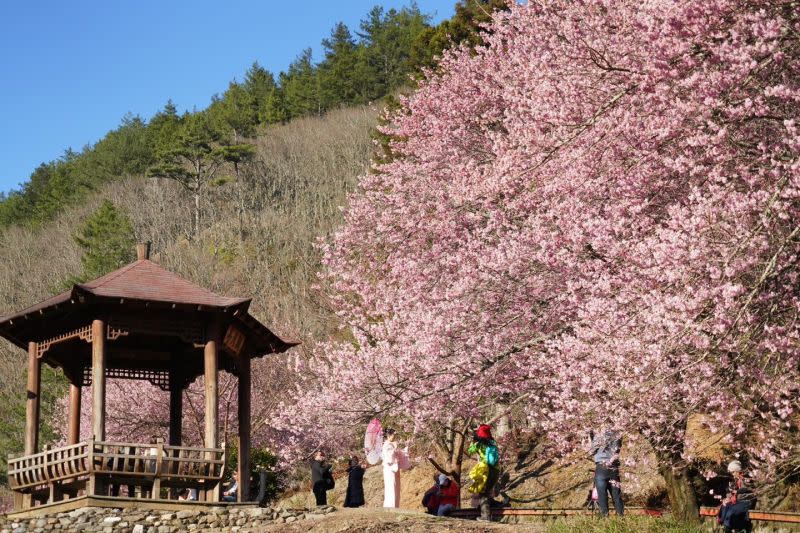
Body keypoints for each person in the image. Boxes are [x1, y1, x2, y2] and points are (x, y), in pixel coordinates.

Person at [467, 424, 500, 522]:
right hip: (496, 470)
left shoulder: (478, 444)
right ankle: (496, 506)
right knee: (488, 490)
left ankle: (485, 516)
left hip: (486, 469)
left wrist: (473, 442)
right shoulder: (493, 443)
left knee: (483, 492)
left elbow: (470, 451)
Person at [588, 428, 624, 517]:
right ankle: (621, 518)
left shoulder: (598, 435)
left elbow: (592, 450)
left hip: (601, 467)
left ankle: (605, 520)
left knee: (602, 496)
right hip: (613, 467)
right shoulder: (617, 434)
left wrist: (591, 440)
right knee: (616, 495)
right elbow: (617, 450)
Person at [718, 460, 756, 533]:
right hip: (739, 501)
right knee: (725, 506)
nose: (732, 474)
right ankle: (726, 526)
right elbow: (732, 492)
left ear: (737, 470)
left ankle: (732, 528)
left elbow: (748, 489)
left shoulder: (746, 478)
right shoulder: (736, 479)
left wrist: (737, 492)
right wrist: (728, 498)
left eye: (733, 472)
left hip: (746, 502)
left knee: (731, 512)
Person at [382, 428, 402, 508]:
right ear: (389, 435)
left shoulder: (391, 444)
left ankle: (395, 505)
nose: (395, 436)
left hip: (394, 467)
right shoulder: (387, 445)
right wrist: (395, 448)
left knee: (396, 486)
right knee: (391, 486)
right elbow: (389, 458)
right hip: (390, 468)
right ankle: (391, 505)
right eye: (394, 435)